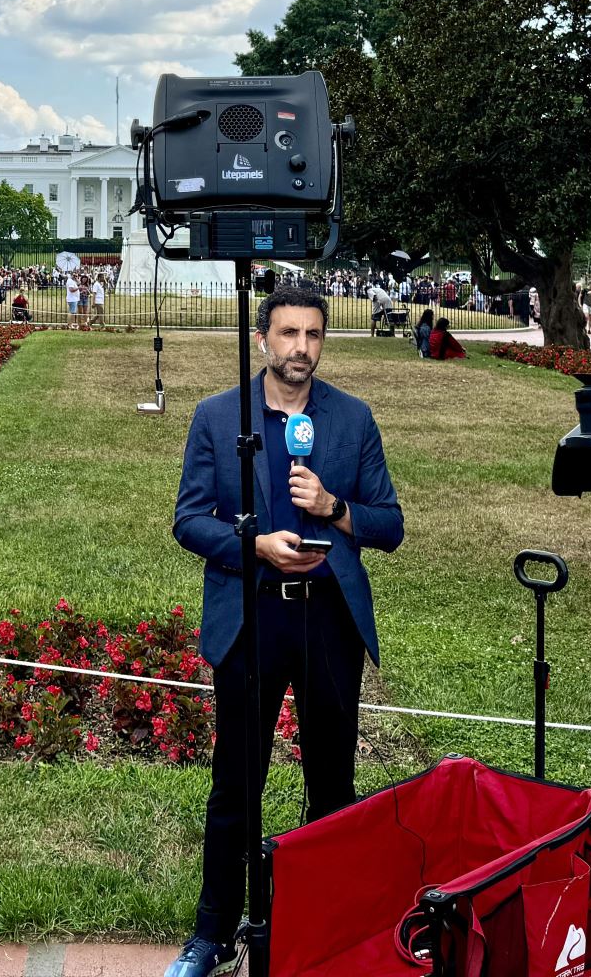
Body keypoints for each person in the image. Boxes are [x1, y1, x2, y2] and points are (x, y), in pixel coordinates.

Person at [166, 287, 404, 977]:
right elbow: (189, 519)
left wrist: (333, 508)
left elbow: (389, 524)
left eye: (314, 335)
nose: (302, 347)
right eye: (289, 333)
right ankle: (210, 935)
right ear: (264, 338)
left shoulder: (352, 420)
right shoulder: (219, 417)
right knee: (237, 782)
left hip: (328, 618)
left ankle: (332, 929)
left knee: (334, 783)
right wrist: (256, 545)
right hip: (255, 613)